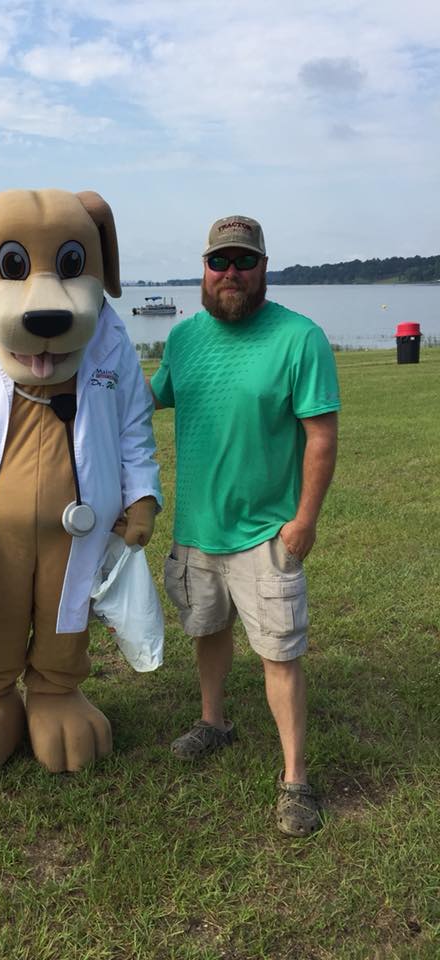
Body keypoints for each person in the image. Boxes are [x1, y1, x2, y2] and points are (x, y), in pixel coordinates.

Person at [150, 215, 340, 837]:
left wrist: (304, 520)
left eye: (243, 261)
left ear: (264, 268)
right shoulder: (182, 341)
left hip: (267, 533)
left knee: (280, 654)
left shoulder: (299, 338)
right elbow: (143, 402)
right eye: (218, 262)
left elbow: (321, 436)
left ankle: (295, 780)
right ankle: (215, 721)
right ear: (203, 269)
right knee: (207, 629)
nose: (230, 273)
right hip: (196, 528)